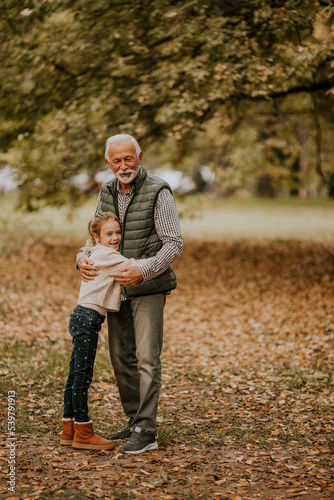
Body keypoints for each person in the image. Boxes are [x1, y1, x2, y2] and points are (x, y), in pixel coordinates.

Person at [77, 133, 183, 454]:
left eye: (129, 158)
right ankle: (135, 419)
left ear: (139, 156)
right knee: (121, 358)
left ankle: (147, 431)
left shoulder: (158, 191)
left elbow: (173, 242)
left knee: (148, 359)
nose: (123, 166)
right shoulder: (107, 190)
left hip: (148, 286)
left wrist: (143, 270)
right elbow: (95, 237)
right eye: (116, 161)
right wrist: (81, 258)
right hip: (114, 288)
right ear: (108, 163)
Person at [60, 212, 153, 450]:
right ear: (96, 236)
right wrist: (158, 261)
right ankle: (83, 430)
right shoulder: (108, 255)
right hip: (88, 319)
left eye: (118, 233)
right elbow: (135, 266)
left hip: (81, 317)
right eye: (109, 233)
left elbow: (85, 250)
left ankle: (68, 428)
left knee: (74, 374)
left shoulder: (91, 250)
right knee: (82, 376)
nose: (115, 238)